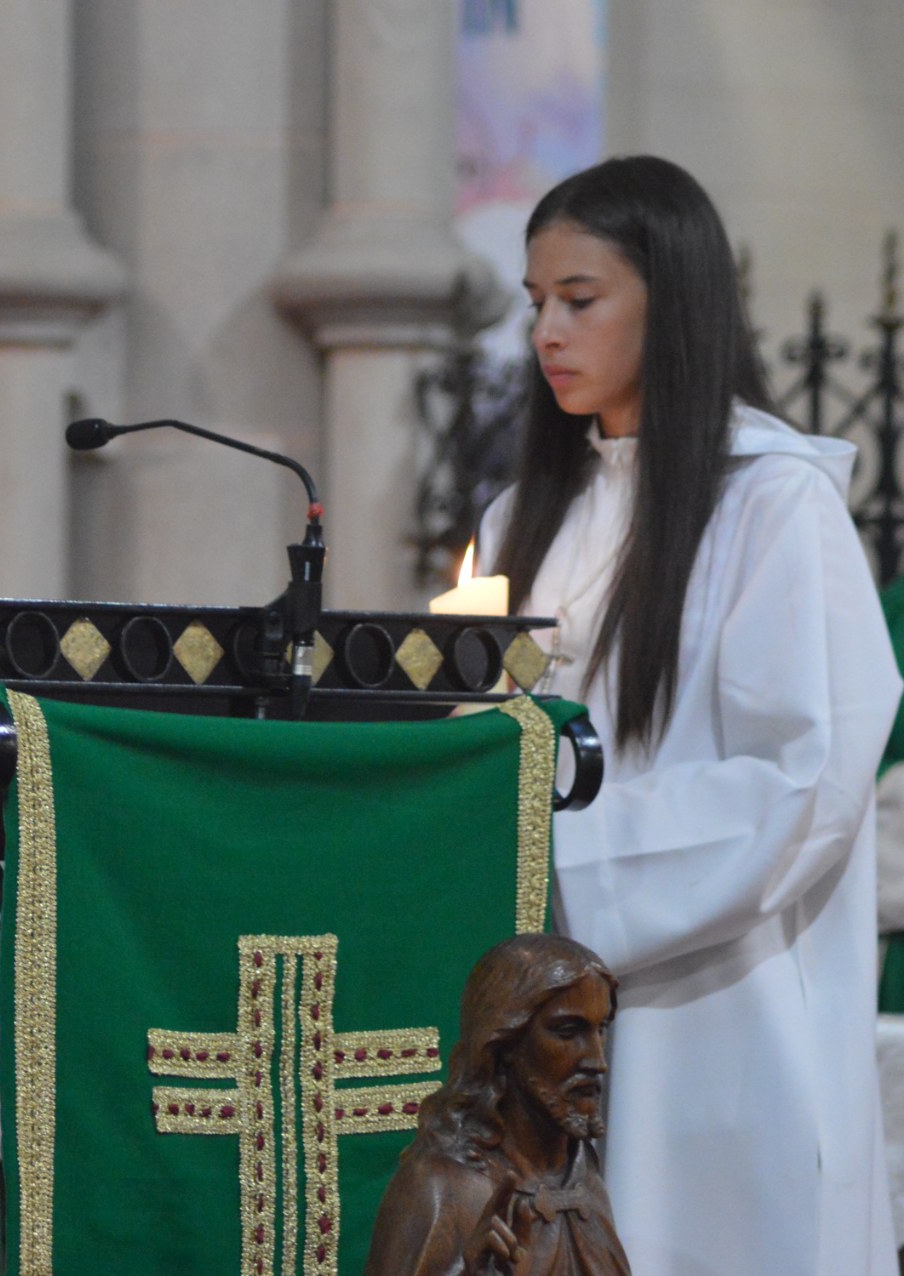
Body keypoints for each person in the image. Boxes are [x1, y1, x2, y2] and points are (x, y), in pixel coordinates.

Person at [478, 154, 900, 1273]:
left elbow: (804, 776)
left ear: (672, 303)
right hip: (544, 1027)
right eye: (535, 305)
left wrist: (566, 865)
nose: (547, 335)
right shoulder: (526, 515)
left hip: (722, 1015)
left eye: (580, 299)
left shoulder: (774, 505)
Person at [365, 934, 629, 1276]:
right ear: (504, 1041)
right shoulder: (440, 1188)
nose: (597, 1060)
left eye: (601, 1029)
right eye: (567, 1031)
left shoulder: (584, 1179)